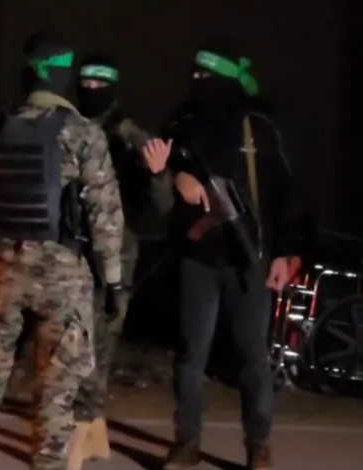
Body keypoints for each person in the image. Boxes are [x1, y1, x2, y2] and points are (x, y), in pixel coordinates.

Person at [0, 34, 125, 470]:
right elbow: (104, 215)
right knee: (56, 388)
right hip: (62, 275)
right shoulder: (81, 132)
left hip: (2, 268)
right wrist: (113, 280)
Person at [162, 42, 300, 470]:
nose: (198, 83)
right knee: (191, 354)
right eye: (195, 75)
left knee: (253, 356)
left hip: (249, 257)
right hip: (198, 256)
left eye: (207, 77)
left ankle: (258, 443)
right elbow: (161, 163)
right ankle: (187, 442)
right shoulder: (183, 121)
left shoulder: (258, 125)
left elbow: (285, 193)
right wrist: (177, 176)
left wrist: (284, 253)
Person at [67, 54, 174, 467]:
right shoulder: (69, 123)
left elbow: (161, 205)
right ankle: (92, 429)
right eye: (86, 84)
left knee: (99, 341)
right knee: (76, 339)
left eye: (100, 84)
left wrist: (157, 174)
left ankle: (82, 430)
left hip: (115, 253)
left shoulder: (129, 135)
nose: (91, 90)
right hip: (72, 246)